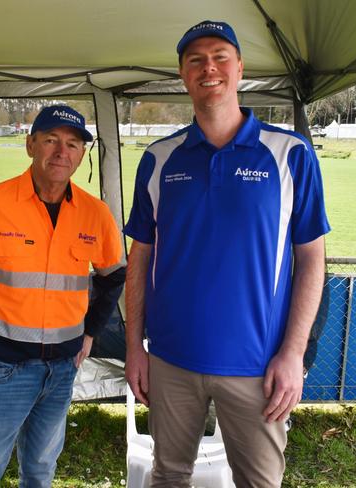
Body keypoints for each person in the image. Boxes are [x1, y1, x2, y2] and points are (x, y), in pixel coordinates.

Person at [123, 20, 331, 488]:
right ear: (183, 74)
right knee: (168, 476)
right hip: (172, 361)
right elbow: (139, 258)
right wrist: (136, 346)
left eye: (220, 56)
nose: (208, 68)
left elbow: (312, 259)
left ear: (240, 68)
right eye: (195, 60)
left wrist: (293, 355)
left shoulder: (289, 154)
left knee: (259, 482)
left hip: (259, 366)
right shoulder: (158, 158)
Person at [0, 105, 125, 488]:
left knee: (42, 471)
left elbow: (114, 277)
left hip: (63, 369)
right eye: (50, 141)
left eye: (73, 144)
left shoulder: (95, 215)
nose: (62, 152)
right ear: (30, 145)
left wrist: (91, 333)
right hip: (0, 369)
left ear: (82, 154)